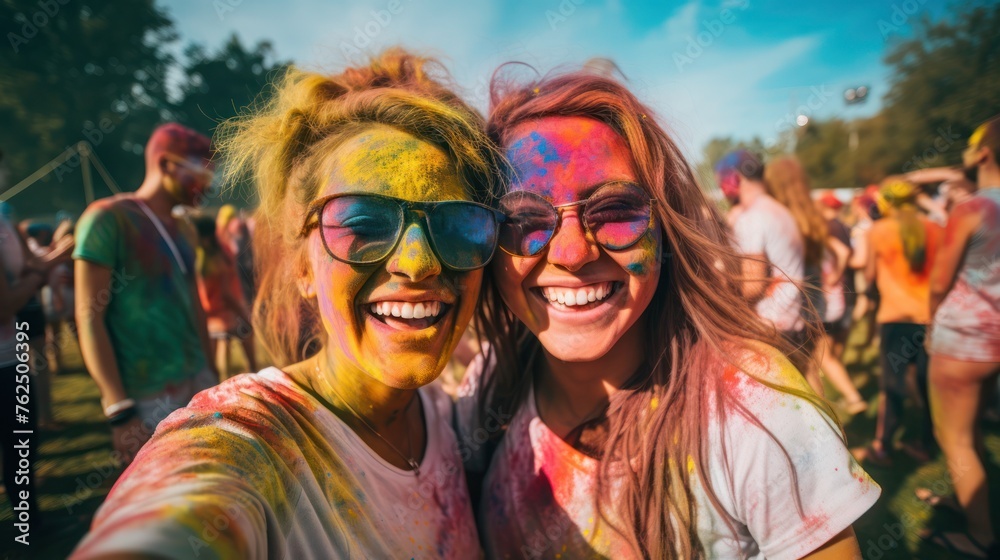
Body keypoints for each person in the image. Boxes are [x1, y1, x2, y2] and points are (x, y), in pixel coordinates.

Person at [72, 49, 502, 559]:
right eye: (363, 224)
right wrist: (119, 408)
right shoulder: (248, 440)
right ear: (302, 266)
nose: (418, 263)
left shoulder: (449, 420)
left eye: (458, 226)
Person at [458, 67, 878, 559]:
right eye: (524, 218)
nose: (572, 253)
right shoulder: (492, 381)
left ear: (666, 229)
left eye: (615, 209)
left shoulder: (754, 410)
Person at [73, 123, 218, 465]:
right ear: (166, 165)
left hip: (198, 383)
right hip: (147, 396)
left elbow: (194, 304)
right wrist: (119, 409)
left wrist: (211, 377)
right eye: (201, 173)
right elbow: (88, 317)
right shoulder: (108, 219)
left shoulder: (185, 227)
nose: (208, 185)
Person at [923, 117, 1000, 558]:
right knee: (973, 433)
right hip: (995, 339)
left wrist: (932, 325)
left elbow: (939, 282)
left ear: (983, 153)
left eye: (971, 144)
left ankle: (980, 534)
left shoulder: (971, 208)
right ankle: (969, 501)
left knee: (955, 437)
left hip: (963, 340)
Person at [764, 157, 866, 411]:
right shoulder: (813, 218)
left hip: (788, 304)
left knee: (788, 372)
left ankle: (811, 429)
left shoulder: (778, 219)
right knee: (810, 366)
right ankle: (825, 427)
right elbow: (841, 253)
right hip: (814, 299)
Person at [859, 177, 943, 467]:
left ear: (884, 202)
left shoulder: (878, 231)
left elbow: (869, 276)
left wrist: (869, 295)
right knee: (927, 385)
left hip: (895, 319)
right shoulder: (934, 228)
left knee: (891, 387)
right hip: (931, 319)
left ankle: (882, 447)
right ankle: (927, 443)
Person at [716, 150, 810, 373]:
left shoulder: (752, 218)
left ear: (733, 178)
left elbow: (754, 284)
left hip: (770, 322)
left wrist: (719, 297)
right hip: (793, 316)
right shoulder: (780, 210)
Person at [192, 213, 255, 378]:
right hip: (230, 316)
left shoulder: (195, 257)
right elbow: (227, 294)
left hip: (209, 320)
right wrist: (244, 315)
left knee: (216, 370)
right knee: (251, 365)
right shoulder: (219, 257)